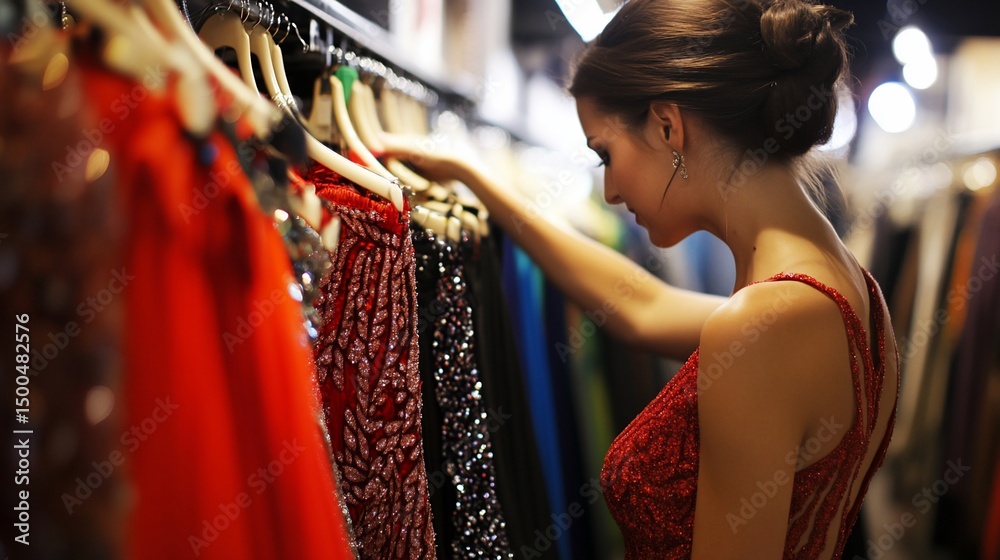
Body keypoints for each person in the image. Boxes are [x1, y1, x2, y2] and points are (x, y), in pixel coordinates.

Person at [388, 0, 900, 558]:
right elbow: (639, 305)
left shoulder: (768, 322)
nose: (609, 192)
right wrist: (475, 177)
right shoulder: (847, 293)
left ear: (667, 126)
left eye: (604, 154)